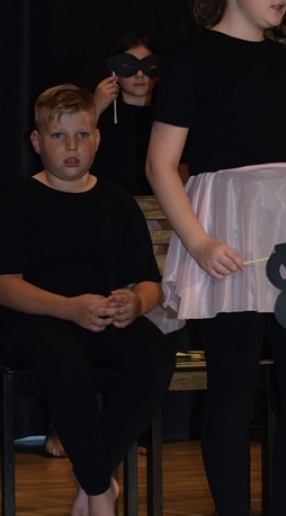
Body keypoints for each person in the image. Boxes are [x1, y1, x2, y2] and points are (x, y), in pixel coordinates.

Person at [145, 0, 286, 515]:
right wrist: (200, 243)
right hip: (229, 231)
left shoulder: (285, 64)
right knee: (233, 392)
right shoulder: (192, 61)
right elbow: (161, 164)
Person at [0, 84, 176, 516]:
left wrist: (136, 303)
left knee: (155, 357)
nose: (72, 146)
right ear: (37, 141)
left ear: (97, 139)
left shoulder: (118, 202)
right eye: (59, 136)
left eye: (82, 135)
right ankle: (100, 494)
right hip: (38, 319)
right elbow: (5, 284)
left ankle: (91, 477)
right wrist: (68, 308)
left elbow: (149, 283)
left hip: (105, 316)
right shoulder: (19, 200)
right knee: (63, 358)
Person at [91, 32, 163, 195]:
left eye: (148, 66)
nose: (139, 74)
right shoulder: (101, 114)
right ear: (114, 70)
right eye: (128, 66)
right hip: (108, 202)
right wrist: (94, 109)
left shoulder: (166, 116)